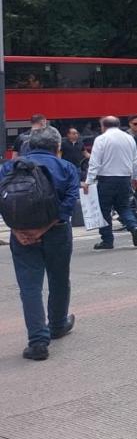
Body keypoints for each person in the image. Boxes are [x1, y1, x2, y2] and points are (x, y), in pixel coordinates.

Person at [1, 127, 80, 361]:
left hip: (20, 235)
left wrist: (17, 229)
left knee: (29, 287)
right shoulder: (67, 168)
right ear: (57, 147)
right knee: (58, 279)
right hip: (56, 232)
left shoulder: (8, 168)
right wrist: (43, 228)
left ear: (29, 145)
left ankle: (37, 342)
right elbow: (69, 203)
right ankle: (57, 325)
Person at [84, 116, 137, 251]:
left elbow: (94, 162)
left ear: (103, 126)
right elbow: (135, 161)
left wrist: (89, 180)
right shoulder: (129, 138)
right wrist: (135, 178)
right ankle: (133, 226)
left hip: (106, 179)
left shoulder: (101, 139)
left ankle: (107, 240)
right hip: (124, 179)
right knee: (123, 206)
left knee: (104, 210)